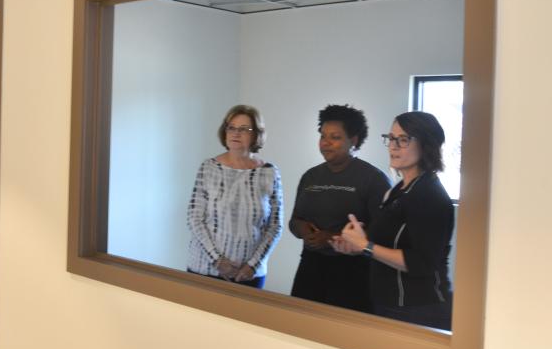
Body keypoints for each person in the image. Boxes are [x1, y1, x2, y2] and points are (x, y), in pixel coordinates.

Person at [331, 111, 454, 330]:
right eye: (390, 138)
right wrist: (356, 246)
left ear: (426, 144)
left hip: (419, 309)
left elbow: (420, 263)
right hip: (388, 303)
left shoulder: (430, 196)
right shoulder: (398, 189)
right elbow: (388, 246)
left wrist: (365, 246)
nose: (393, 146)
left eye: (403, 139)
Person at [289, 105, 391, 312]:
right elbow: (294, 221)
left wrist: (331, 237)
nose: (325, 143)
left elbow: (383, 234)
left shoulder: (374, 179)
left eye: (334, 137)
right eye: (322, 136)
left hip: (353, 273)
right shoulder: (310, 177)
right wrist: (303, 230)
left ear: (353, 141)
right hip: (310, 267)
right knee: (301, 328)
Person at [186, 105, 283, 288]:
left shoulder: (270, 173)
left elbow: (275, 226)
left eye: (244, 129)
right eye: (231, 127)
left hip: (249, 276)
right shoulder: (208, 168)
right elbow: (194, 219)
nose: (236, 133)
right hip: (204, 270)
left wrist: (252, 266)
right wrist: (217, 260)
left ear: (256, 134)